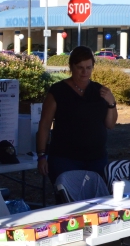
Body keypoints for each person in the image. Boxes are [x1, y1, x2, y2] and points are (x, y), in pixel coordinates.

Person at [36, 46, 118, 184]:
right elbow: (44, 125)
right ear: (71, 66)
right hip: (65, 159)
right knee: (68, 195)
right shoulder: (58, 91)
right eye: (80, 67)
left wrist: (111, 102)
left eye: (88, 67)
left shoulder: (100, 91)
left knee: (97, 196)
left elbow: (110, 124)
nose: (85, 72)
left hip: (97, 159)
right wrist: (41, 155)